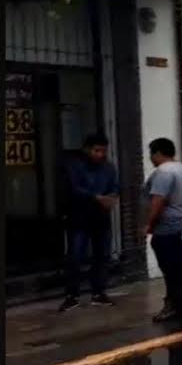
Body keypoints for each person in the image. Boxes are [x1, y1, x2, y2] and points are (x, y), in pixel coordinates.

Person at [60, 133, 120, 312]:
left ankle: (99, 293)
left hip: (101, 218)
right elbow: (74, 188)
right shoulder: (74, 166)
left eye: (103, 151)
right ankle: (72, 295)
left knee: (102, 256)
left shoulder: (108, 168)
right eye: (96, 150)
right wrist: (96, 198)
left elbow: (115, 186)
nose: (100, 154)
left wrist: (112, 197)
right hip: (78, 218)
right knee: (75, 257)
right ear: (87, 149)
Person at [144, 137, 182, 322]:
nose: (150, 158)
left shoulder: (163, 172)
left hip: (165, 228)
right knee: (179, 268)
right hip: (180, 225)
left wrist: (149, 224)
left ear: (157, 153)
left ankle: (172, 304)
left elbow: (158, 201)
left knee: (169, 270)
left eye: (151, 154)